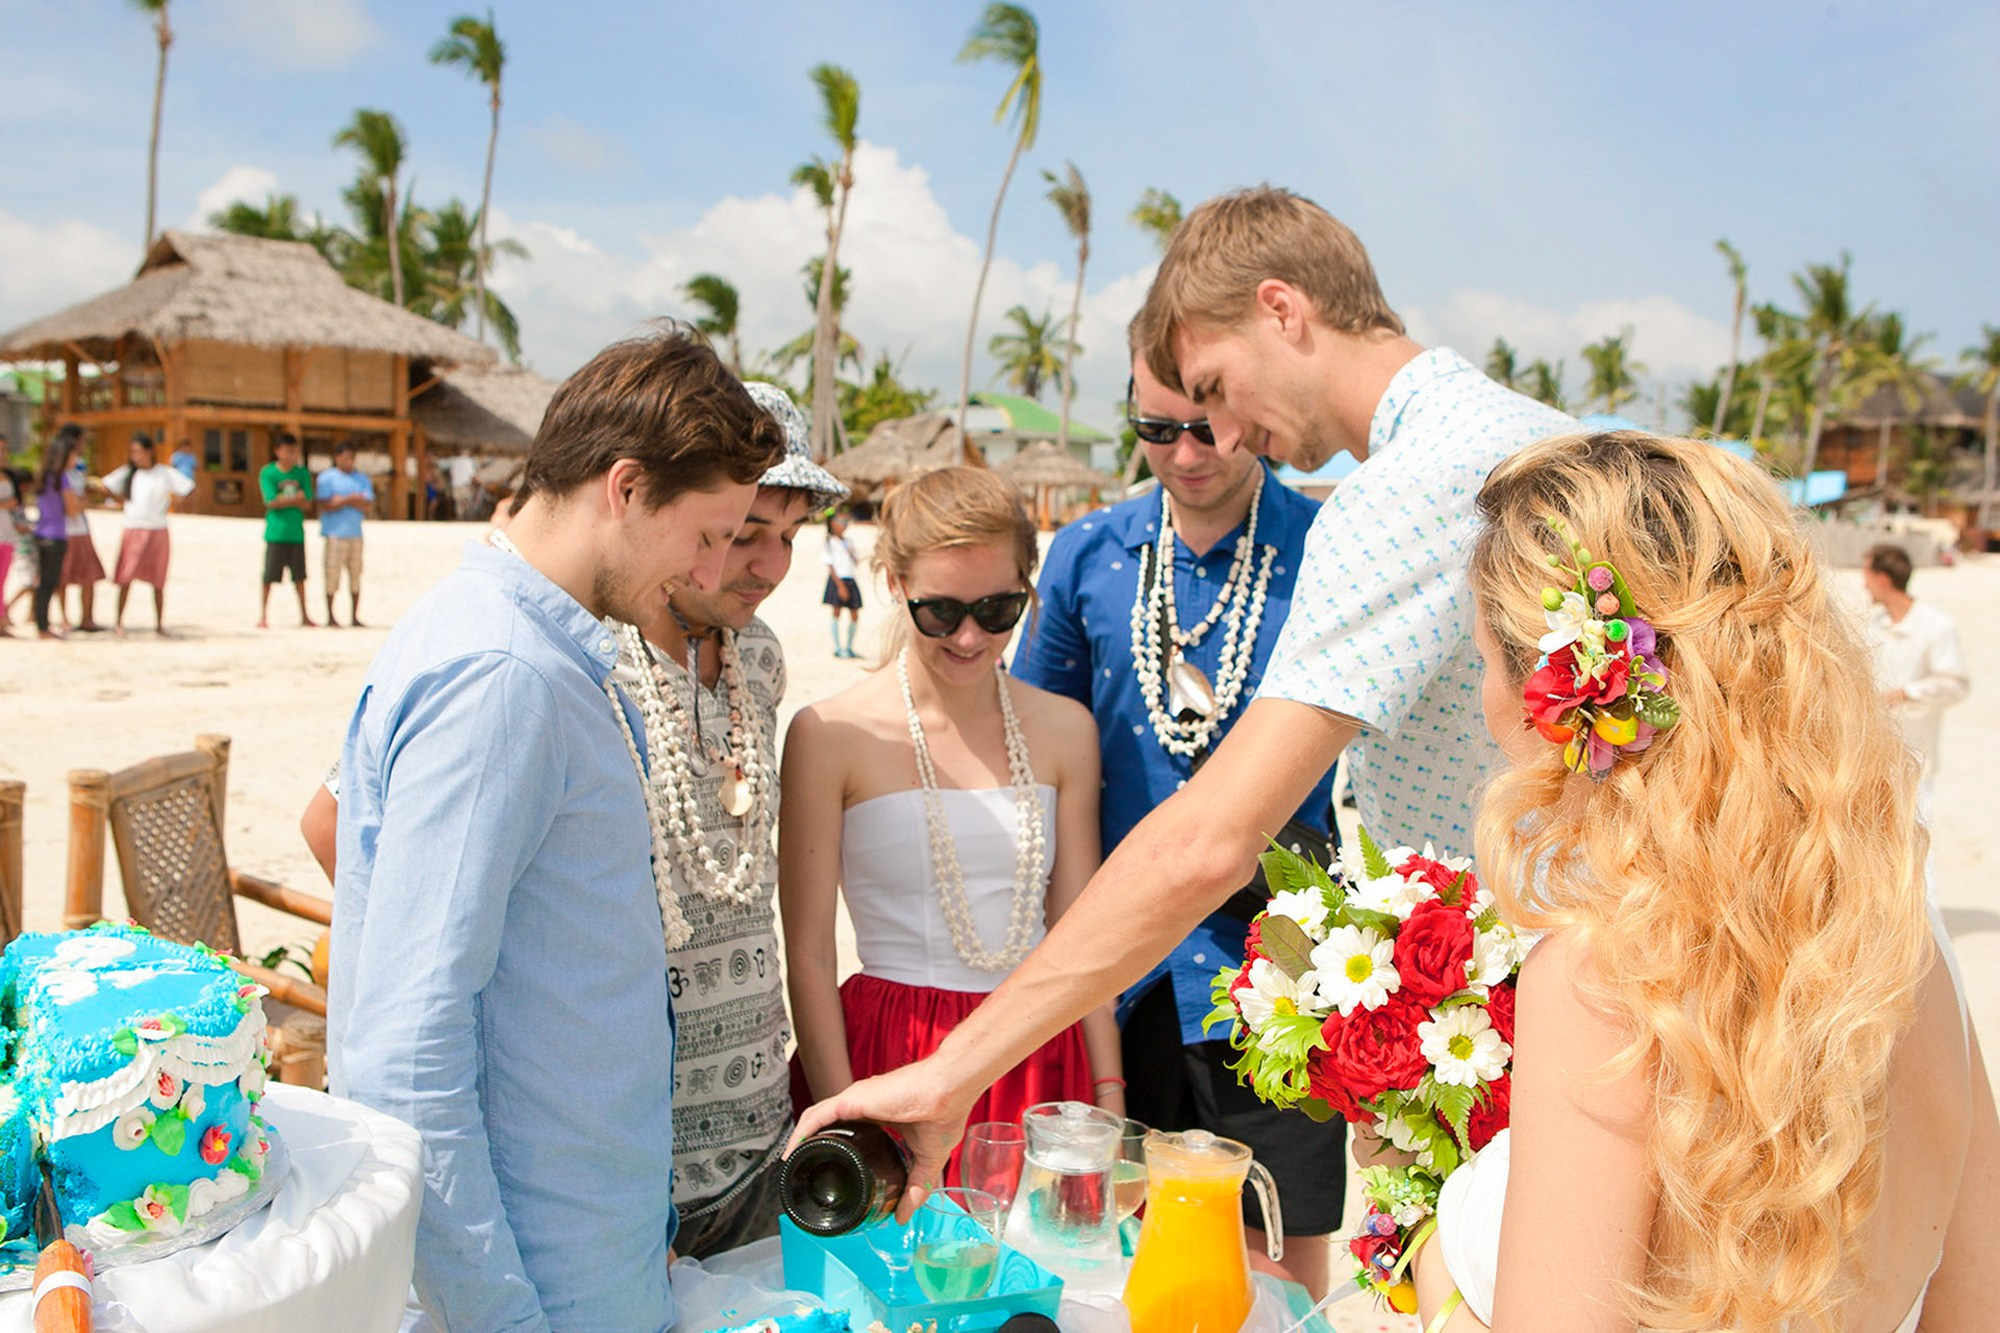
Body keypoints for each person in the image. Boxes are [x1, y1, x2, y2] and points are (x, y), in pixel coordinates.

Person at [790, 185, 1576, 1196]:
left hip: (1515, 1012)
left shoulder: (1405, 486)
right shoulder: (1533, 435)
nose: (1221, 425)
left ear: (1282, 310)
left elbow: (1209, 837)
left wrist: (953, 1072)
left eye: (1212, 383)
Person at [1397, 429, 1998, 1331]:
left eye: (1483, 659)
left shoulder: (1606, 981)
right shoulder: (1898, 937)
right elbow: (1975, 1302)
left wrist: (1438, 1279)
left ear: (1557, 694)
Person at [329, 324, 785, 1332]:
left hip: (588, 1247)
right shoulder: (505, 676)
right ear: (624, 488)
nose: (714, 570)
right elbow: (403, 1051)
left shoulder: (526, 649)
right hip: (537, 1277)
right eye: (708, 533)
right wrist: (499, 1316)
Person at [1011, 338, 1346, 1294]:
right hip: (1124, 971)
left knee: (1276, 1268)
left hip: (1282, 967)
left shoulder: (1328, 549)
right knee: (1120, 1266)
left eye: (1204, 427)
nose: (1185, 452)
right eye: (1158, 430)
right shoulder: (1088, 555)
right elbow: (1037, 742)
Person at [780, 467, 1122, 1172]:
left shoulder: (1064, 729)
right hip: (888, 1052)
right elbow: (809, 954)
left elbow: (1082, 932)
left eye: (998, 610)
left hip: (1037, 1050)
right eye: (941, 611)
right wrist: (845, 1118)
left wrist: (1110, 1093)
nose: (969, 636)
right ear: (895, 584)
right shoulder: (829, 733)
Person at [610, 381, 847, 1259]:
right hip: (630, 1156)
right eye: (747, 532)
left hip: (756, 1135)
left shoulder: (760, 656)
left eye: (788, 536)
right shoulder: (589, 653)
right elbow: (340, 825)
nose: (772, 565)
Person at [1863, 543, 1969, 816]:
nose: (1865, 585)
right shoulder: (1873, 626)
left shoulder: (1936, 626)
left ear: (1882, 579)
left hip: (1917, 759)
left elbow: (1955, 685)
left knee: (1918, 847)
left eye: (1867, 577)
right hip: (1872, 760)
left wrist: (1907, 693)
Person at [102, 432, 194, 635]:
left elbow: (187, 488)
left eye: (139, 451)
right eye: (133, 451)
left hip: (158, 529)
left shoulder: (163, 473)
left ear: (149, 451)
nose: (135, 455)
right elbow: (105, 485)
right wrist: (119, 500)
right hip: (133, 527)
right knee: (126, 576)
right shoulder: (127, 473)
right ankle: (119, 622)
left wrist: (175, 502)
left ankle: (159, 624)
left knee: (158, 579)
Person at [30, 426, 85, 640]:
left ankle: (40, 623)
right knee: (49, 582)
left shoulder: (44, 475)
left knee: (41, 581)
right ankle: (43, 628)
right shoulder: (62, 478)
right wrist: (83, 501)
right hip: (56, 536)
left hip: (40, 533)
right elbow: (72, 509)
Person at [258, 432, 316, 628]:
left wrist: (285, 500)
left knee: (300, 578)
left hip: (296, 534)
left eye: (294, 451)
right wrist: (294, 499)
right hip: (275, 533)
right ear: (277, 451)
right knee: (269, 577)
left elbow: (307, 503)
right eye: (287, 450)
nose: (291, 454)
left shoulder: (302, 473)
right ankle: (263, 615)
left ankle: (305, 616)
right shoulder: (268, 472)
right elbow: (270, 501)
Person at [316, 439, 376, 627]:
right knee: (332, 575)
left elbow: (366, 504)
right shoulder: (327, 478)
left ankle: (354, 616)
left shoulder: (362, 479)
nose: (349, 461)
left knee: (356, 576)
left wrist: (341, 501)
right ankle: (331, 617)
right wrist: (351, 499)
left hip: (355, 534)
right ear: (337, 458)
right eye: (345, 457)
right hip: (334, 534)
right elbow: (325, 504)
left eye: (352, 458)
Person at [57, 449, 107, 632]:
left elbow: (81, 502)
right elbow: (73, 507)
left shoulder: (78, 476)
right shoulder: (57, 477)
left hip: (82, 530)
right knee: (62, 578)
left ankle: (87, 618)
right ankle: (64, 618)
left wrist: (81, 501)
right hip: (65, 531)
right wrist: (81, 501)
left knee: (89, 577)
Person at [822, 508, 863, 657]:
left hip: (850, 578)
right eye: (841, 522)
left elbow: (856, 561)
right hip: (838, 579)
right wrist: (839, 586)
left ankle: (849, 646)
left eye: (845, 522)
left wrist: (851, 553)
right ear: (833, 523)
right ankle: (838, 647)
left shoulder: (848, 541)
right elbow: (830, 565)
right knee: (836, 611)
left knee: (854, 612)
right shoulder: (829, 542)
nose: (844, 525)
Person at [0, 431, 19, 637]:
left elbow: (17, 503)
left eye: (4, 450)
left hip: (7, 535)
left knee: (2, 581)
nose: (2, 454)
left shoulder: (11, 475)